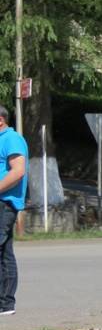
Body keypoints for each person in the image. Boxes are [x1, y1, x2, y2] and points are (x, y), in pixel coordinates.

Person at [0, 104, 28, 317]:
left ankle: (5, 302)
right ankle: (6, 303)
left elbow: (18, 171)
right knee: (5, 252)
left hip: (4, 203)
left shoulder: (12, 139)